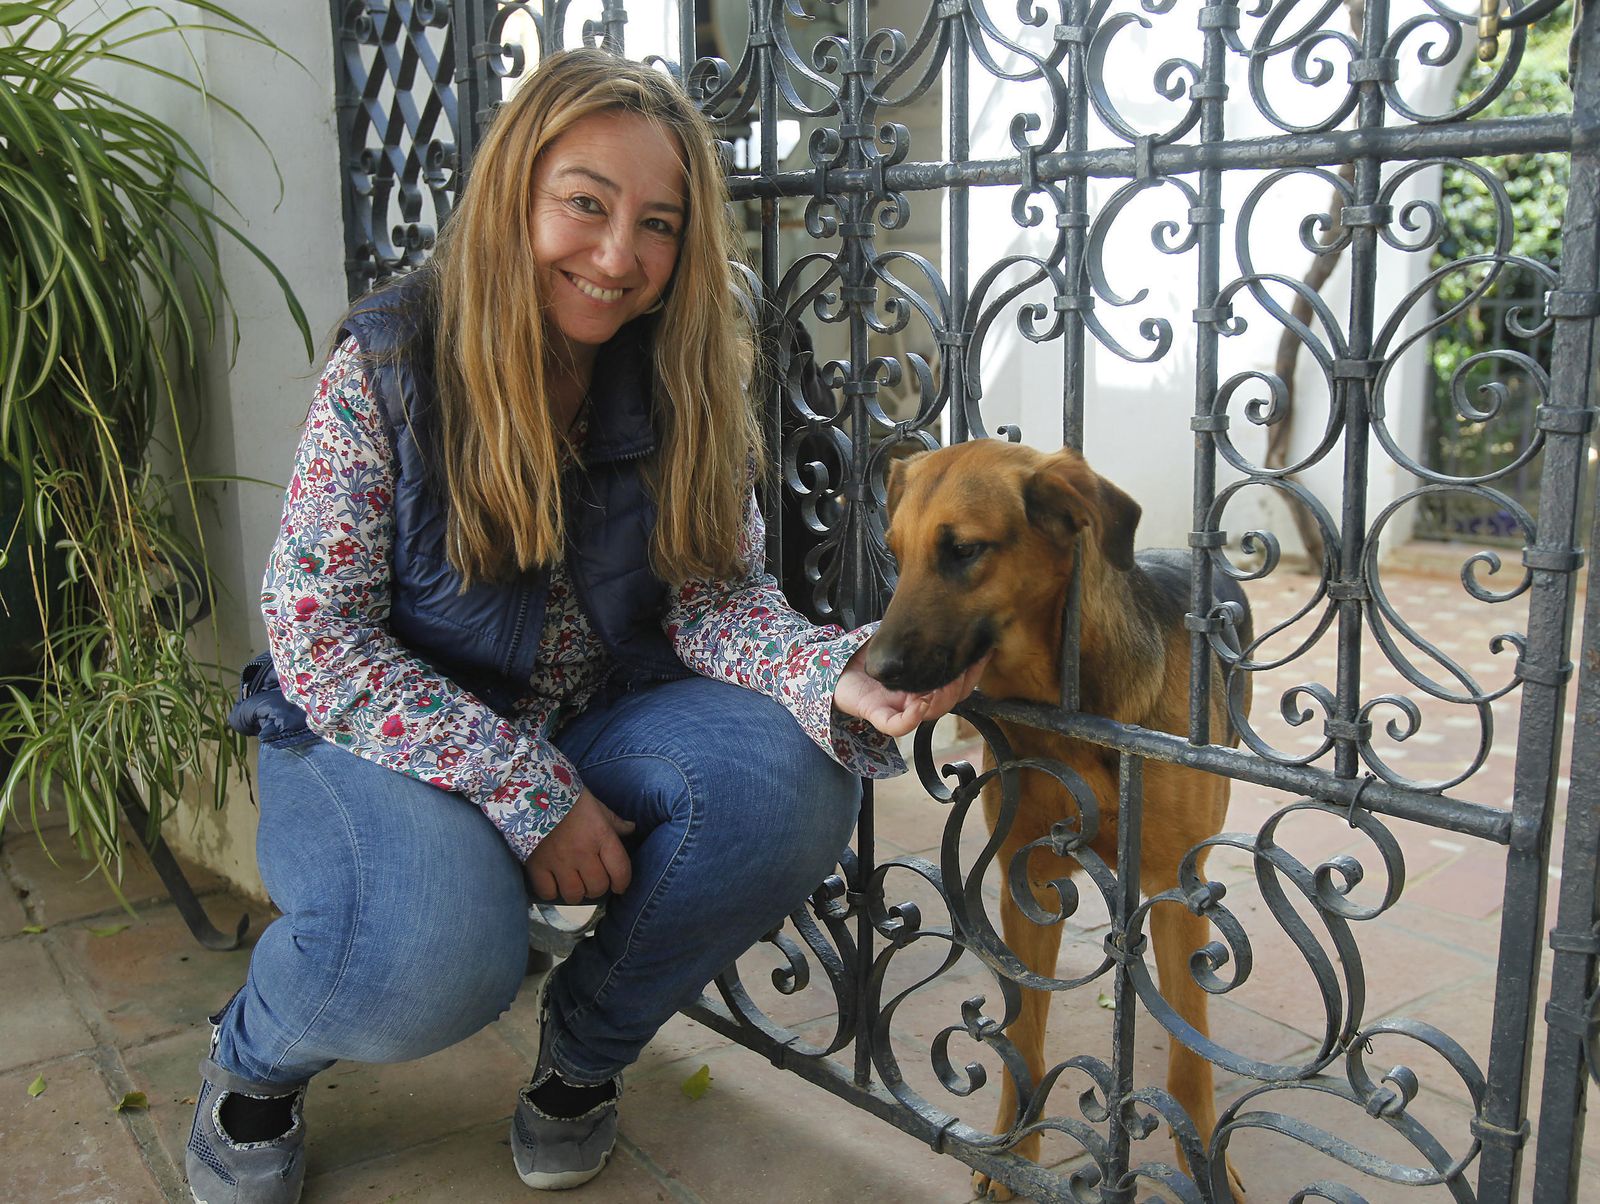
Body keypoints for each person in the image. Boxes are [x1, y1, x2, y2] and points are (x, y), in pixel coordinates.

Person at [185, 48, 984, 1204]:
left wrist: (830, 673)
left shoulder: (683, 379)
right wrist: (530, 788)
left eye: (656, 224)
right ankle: (252, 1065)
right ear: (518, 191)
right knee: (440, 950)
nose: (619, 258)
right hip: (371, 736)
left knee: (795, 778)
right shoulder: (393, 361)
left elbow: (716, 600)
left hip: (594, 716)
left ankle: (581, 1059)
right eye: (586, 205)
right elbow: (323, 643)